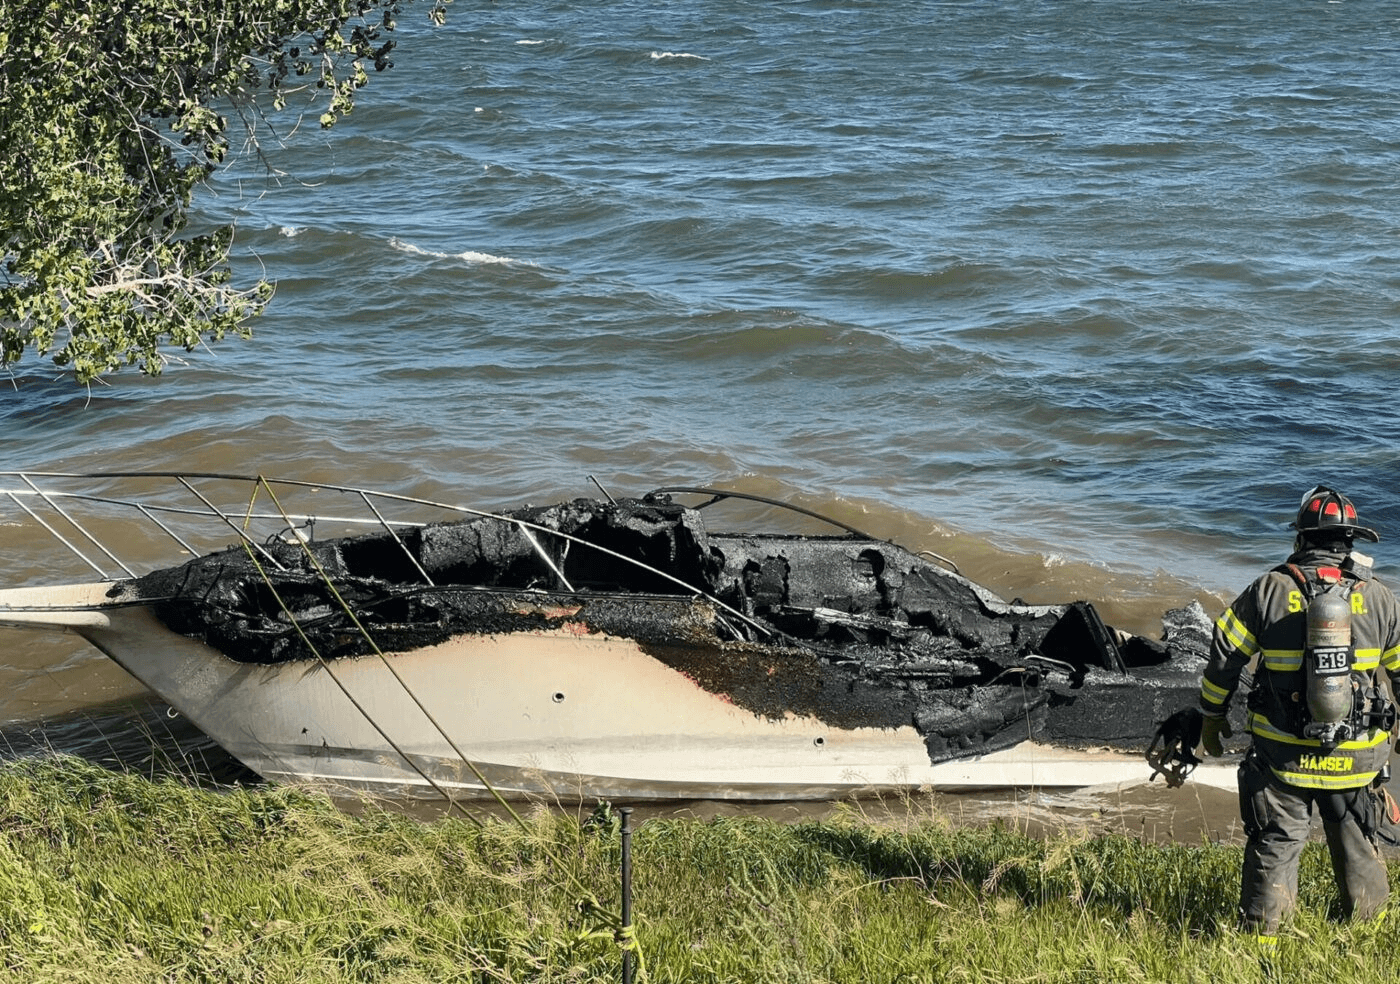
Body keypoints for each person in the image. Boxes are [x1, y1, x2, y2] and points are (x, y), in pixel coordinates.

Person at [1198, 485, 1400, 945]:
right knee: (1357, 843)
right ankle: (1372, 936)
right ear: (1349, 542)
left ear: (1301, 539)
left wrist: (1212, 716)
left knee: (1276, 842)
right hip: (1357, 759)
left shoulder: (1269, 589)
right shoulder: (1382, 599)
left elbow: (1224, 656)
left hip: (1284, 758)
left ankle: (1262, 943)